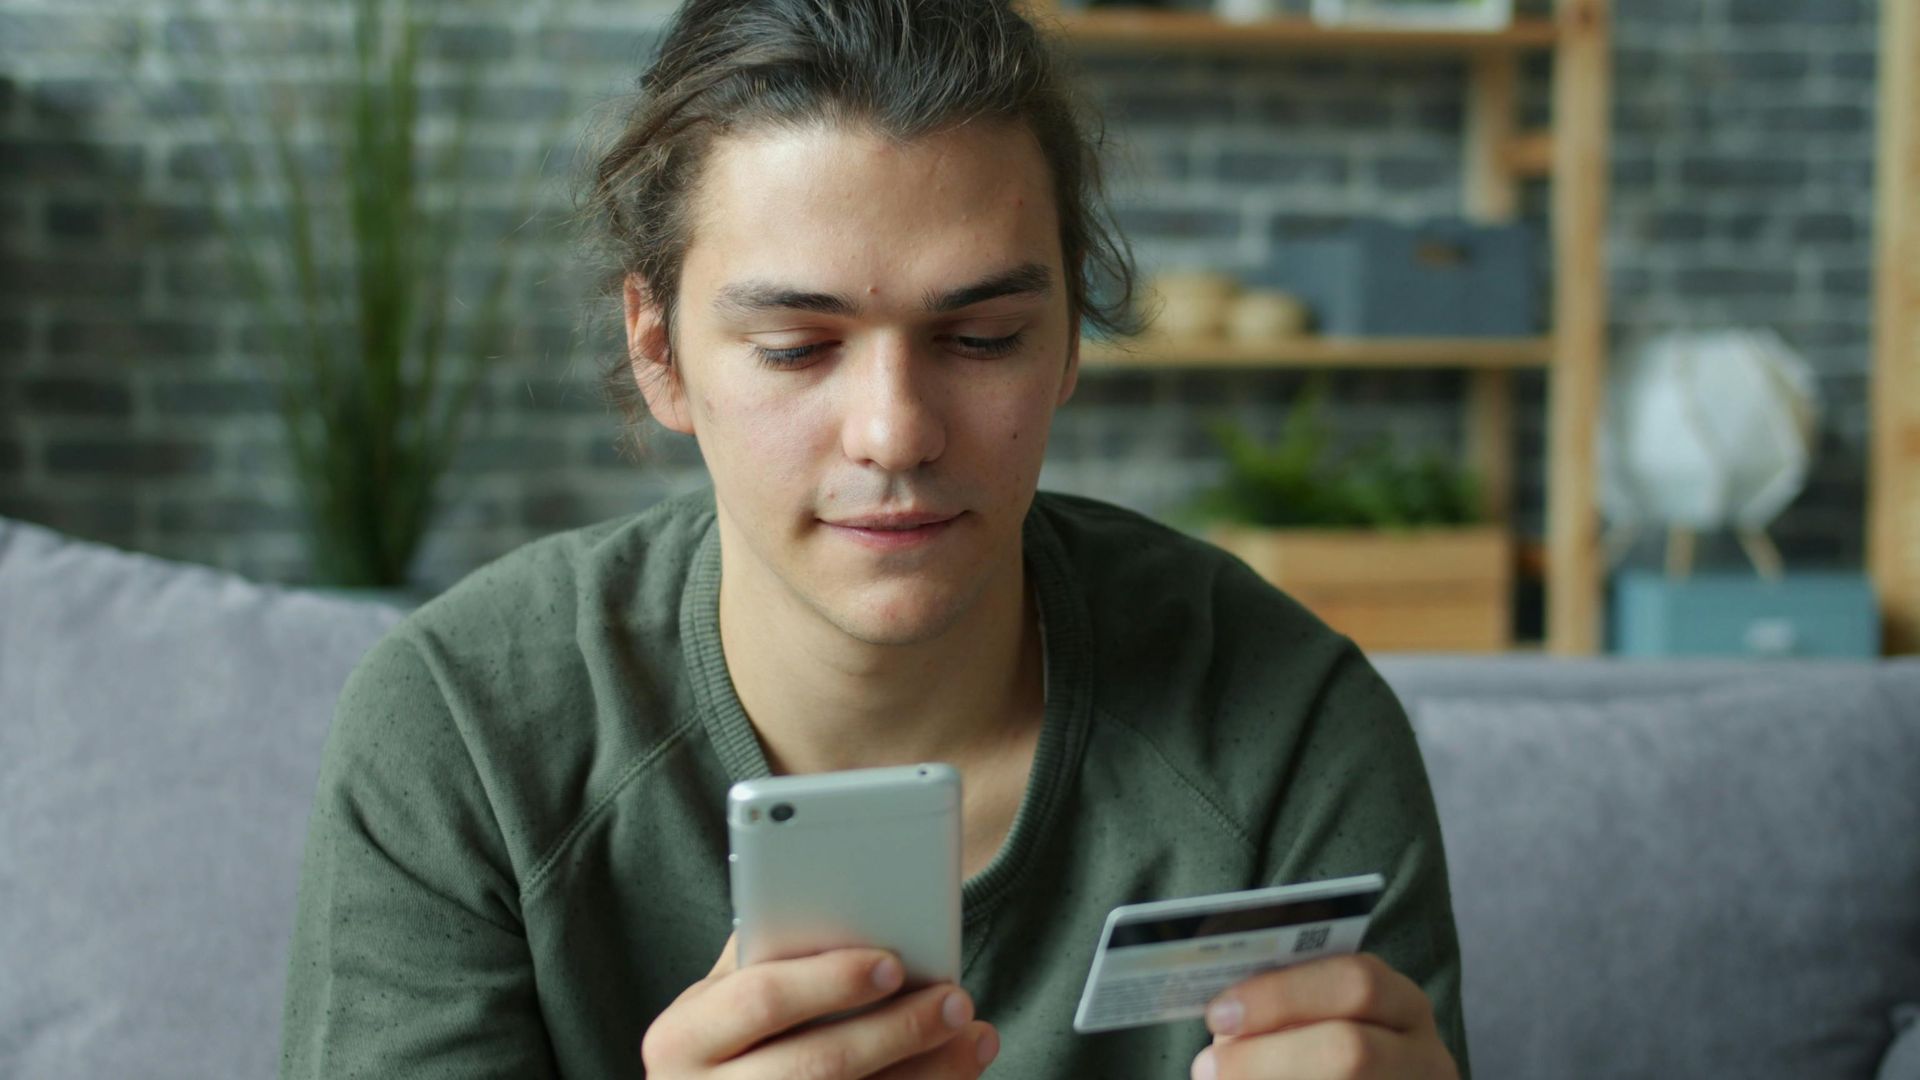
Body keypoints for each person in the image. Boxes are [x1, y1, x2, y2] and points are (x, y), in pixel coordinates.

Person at [276, 0, 1471, 1076]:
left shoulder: (1288, 727)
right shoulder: (461, 736)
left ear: (1067, 343)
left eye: (986, 337)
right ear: (659, 351)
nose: (895, 433)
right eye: (797, 347)